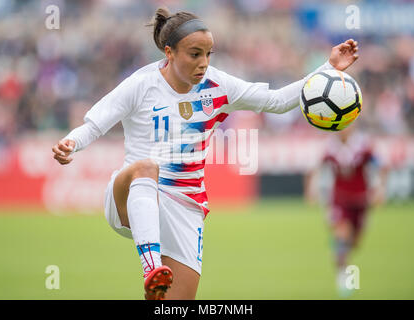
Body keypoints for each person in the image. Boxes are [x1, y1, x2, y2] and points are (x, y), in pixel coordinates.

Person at [52, 7, 359, 300]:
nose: (204, 62)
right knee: (145, 167)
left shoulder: (218, 85)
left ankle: (157, 280)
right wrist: (71, 143)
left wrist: (327, 68)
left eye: (208, 54)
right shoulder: (141, 85)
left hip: (187, 207)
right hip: (132, 196)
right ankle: (151, 266)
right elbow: (95, 123)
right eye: (195, 54)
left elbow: (276, 101)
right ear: (169, 52)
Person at [305, 124, 387, 297]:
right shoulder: (329, 146)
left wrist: (380, 189)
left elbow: (383, 166)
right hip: (339, 200)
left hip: (361, 201)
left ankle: (340, 249)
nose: (344, 129)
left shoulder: (364, 145)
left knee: (354, 244)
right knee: (342, 237)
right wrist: (311, 190)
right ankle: (344, 280)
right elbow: (315, 168)